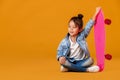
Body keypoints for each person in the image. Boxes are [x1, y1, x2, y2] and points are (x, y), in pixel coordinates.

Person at [57, 7, 101, 72]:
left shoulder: (82, 36)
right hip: (71, 61)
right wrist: (60, 57)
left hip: (81, 61)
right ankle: (87, 70)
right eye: (69, 26)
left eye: (74, 27)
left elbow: (89, 25)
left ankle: (69, 68)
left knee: (91, 60)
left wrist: (96, 13)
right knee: (63, 62)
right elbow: (59, 50)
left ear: (80, 29)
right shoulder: (65, 41)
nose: (71, 29)